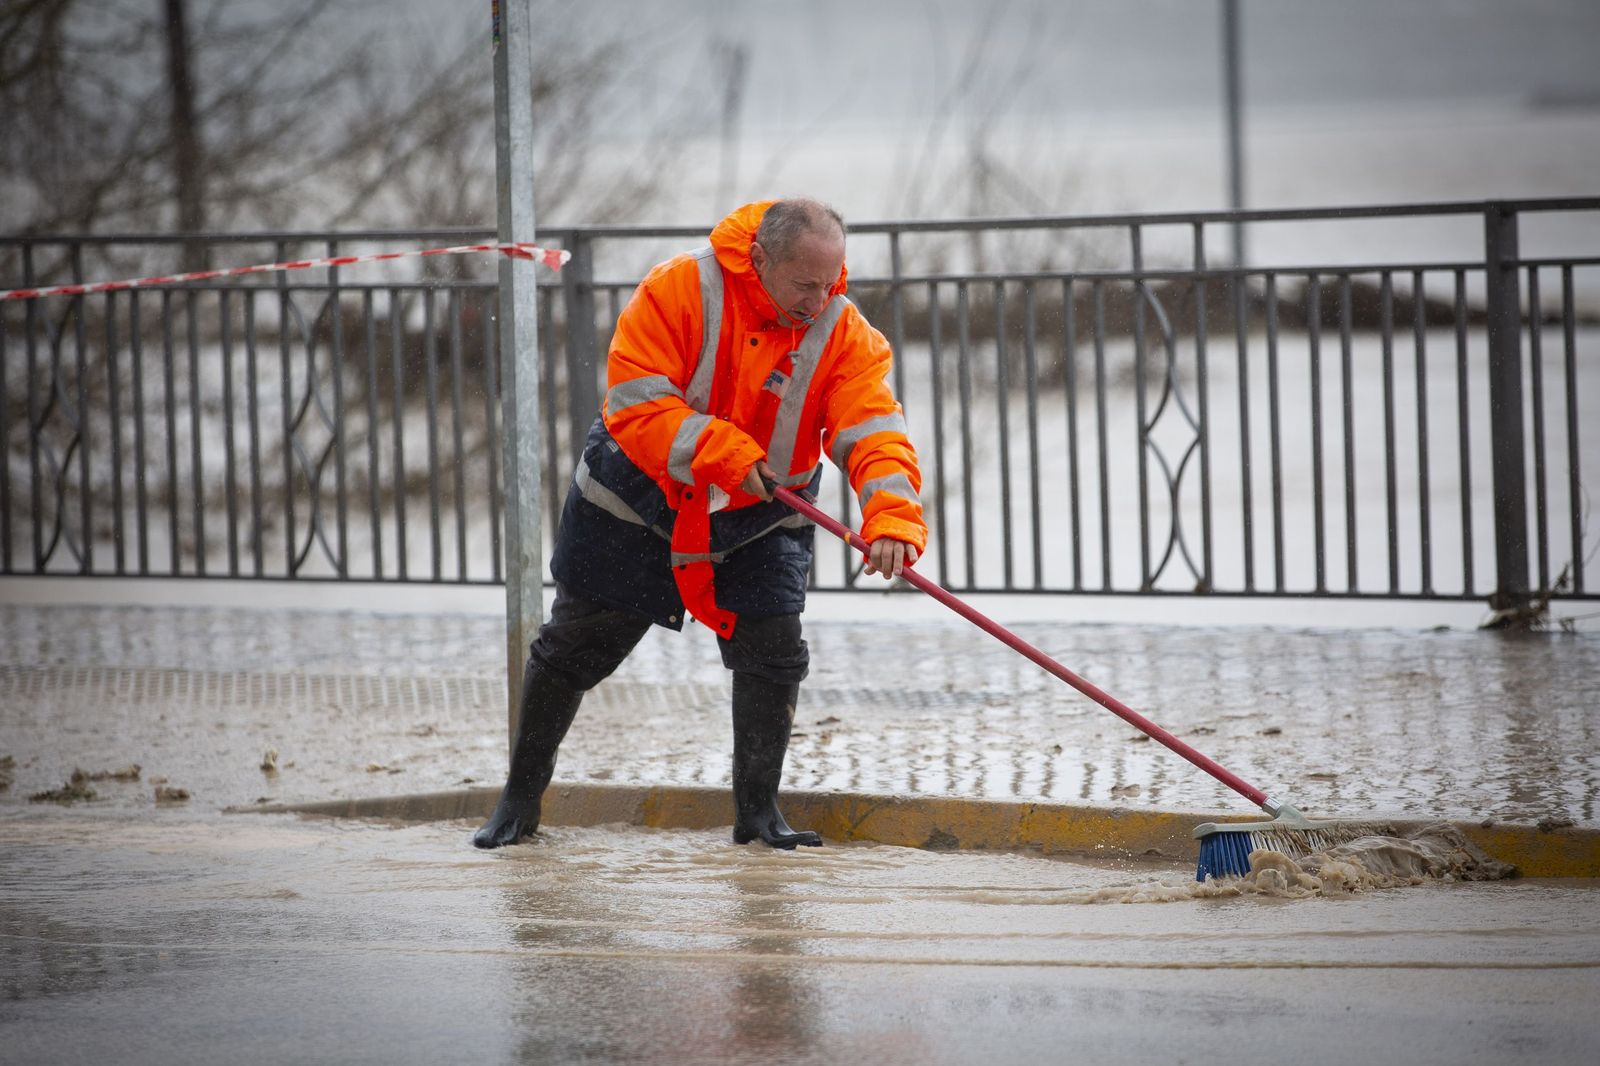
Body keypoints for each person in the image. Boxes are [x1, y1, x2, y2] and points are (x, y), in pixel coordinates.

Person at [474, 198, 926, 850]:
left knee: (774, 652)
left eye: (831, 283)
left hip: (763, 515)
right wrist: (725, 454)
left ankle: (759, 815)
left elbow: (876, 431)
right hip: (637, 498)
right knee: (574, 647)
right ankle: (517, 802)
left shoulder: (844, 332)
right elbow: (636, 403)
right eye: (805, 282)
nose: (818, 298)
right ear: (761, 259)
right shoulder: (678, 289)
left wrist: (891, 519)